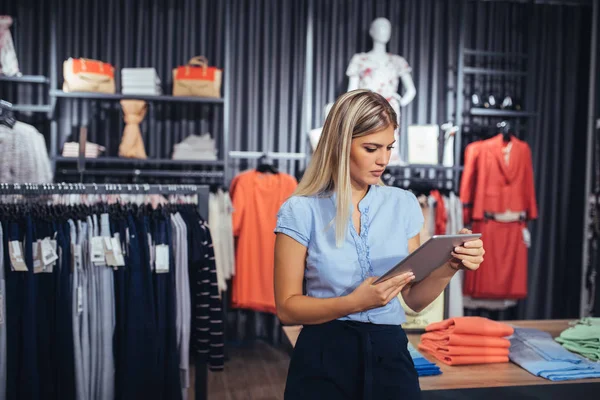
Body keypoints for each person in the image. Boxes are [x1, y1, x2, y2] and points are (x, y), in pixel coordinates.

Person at [273, 89, 485, 400]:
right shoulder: (300, 210)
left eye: (389, 147)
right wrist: (354, 303)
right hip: (323, 358)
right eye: (371, 148)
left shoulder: (404, 204)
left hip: (391, 357)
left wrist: (450, 265)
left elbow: (412, 301)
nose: (383, 160)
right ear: (340, 145)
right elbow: (287, 309)